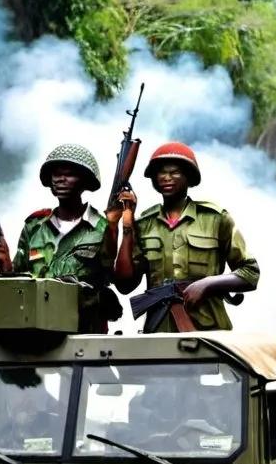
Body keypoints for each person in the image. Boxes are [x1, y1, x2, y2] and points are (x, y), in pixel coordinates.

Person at [111, 142, 259, 332]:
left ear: (189, 177)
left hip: (208, 331)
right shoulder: (144, 224)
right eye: (161, 173)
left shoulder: (214, 219)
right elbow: (125, 285)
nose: (166, 177)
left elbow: (250, 273)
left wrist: (208, 284)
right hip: (158, 332)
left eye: (175, 172)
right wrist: (127, 228)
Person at [0, 144, 120, 333]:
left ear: (84, 181)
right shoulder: (34, 226)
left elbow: (112, 272)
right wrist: (4, 264)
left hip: (83, 330)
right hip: (32, 327)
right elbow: (17, 280)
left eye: (69, 174)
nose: (61, 180)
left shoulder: (103, 228)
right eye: (56, 174)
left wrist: (116, 228)